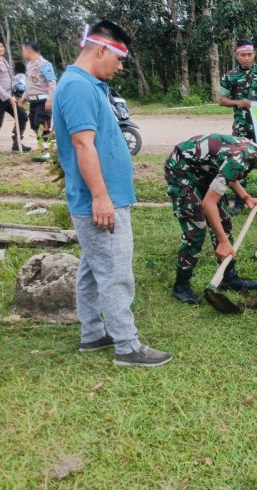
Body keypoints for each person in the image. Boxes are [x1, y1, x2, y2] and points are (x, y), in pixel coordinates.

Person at [53, 20, 170, 367]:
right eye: (119, 60)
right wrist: (101, 197)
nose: (120, 68)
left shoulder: (88, 84)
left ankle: (92, 334)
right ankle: (127, 347)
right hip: (101, 201)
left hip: (104, 196)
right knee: (116, 272)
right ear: (101, 49)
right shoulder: (77, 86)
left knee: (92, 268)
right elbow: (81, 143)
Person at [165, 134, 257, 305]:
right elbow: (208, 203)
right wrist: (222, 241)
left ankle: (228, 277)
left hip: (204, 170)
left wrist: (246, 198)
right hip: (181, 169)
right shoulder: (240, 158)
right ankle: (181, 286)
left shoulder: (252, 154)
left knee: (223, 221)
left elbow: (228, 174)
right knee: (196, 229)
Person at [0, 36, 31, 155]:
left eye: (1, 46)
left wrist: (16, 80)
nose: (0, 49)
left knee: (22, 117)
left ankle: (17, 143)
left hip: (9, 96)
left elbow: (7, 76)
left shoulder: (1, 59)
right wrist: (8, 97)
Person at [20, 41, 58, 160]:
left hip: (43, 101)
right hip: (33, 101)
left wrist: (50, 100)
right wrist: (23, 97)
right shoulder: (29, 65)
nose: (22, 53)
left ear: (29, 50)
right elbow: (30, 84)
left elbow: (52, 83)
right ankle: (43, 149)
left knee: (44, 126)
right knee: (35, 126)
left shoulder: (45, 64)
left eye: (23, 50)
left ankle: (47, 153)